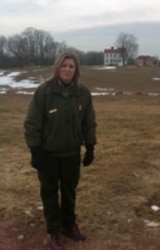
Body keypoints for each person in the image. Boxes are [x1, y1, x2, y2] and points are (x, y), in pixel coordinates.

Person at [24, 51, 97, 250]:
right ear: (58, 67)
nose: (67, 70)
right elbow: (32, 123)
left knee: (69, 192)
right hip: (48, 155)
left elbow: (88, 122)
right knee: (49, 193)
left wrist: (90, 146)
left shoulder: (83, 94)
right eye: (64, 66)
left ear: (76, 70)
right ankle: (54, 230)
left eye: (71, 66)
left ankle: (68, 225)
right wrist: (35, 150)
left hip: (71, 154)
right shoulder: (44, 92)